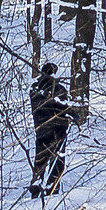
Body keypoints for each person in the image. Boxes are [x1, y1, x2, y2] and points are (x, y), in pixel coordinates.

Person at [28, 62, 72, 198]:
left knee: (40, 159)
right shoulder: (57, 88)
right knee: (57, 160)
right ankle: (52, 188)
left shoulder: (34, 89)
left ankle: (36, 186)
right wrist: (72, 116)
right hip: (57, 129)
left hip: (40, 129)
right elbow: (65, 107)